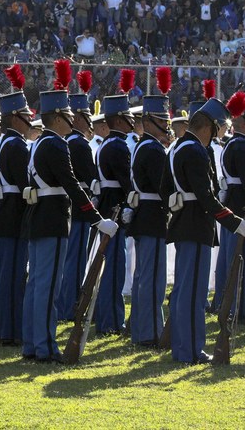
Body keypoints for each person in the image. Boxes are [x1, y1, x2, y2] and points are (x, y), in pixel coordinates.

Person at [22, 86, 118, 363]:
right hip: (52, 219)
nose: (72, 121)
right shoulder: (56, 144)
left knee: (37, 284)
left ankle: (32, 343)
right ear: (57, 118)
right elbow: (72, 185)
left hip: (40, 217)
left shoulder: (40, 142)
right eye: (67, 116)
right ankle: (44, 346)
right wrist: (97, 219)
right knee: (48, 286)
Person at [162, 96, 245, 364]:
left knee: (185, 290)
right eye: (218, 129)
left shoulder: (179, 146)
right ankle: (189, 351)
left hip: (184, 221)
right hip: (196, 223)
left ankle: (181, 347)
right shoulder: (195, 150)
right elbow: (206, 197)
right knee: (193, 293)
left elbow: (165, 189)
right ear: (209, 127)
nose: (218, 134)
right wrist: (235, 222)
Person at [126, 73, 171, 347]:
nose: (166, 124)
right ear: (148, 122)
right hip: (153, 216)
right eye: (161, 120)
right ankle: (149, 332)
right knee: (152, 279)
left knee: (145, 276)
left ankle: (143, 329)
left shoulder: (147, 146)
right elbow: (163, 186)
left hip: (147, 215)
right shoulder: (153, 150)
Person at [211, 79, 245, 319]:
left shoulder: (231, 144)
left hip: (230, 200)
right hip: (240, 203)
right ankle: (237, 306)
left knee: (227, 257)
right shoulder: (243, 146)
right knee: (239, 258)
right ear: (242, 122)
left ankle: (223, 301)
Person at [0, 68, 32, 346]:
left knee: (7, 274)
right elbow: (24, 179)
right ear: (15, 117)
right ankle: (11, 329)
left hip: (5, 209)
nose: (30, 119)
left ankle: (5, 327)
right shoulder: (16, 145)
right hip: (14, 210)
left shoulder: (4, 141)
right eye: (26, 115)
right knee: (13, 275)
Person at [93, 76, 135, 335]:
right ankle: (110, 321)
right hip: (115, 208)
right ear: (118, 120)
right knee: (113, 269)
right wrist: (133, 201)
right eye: (127, 117)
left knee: (110, 265)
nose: (132, 121)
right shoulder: (118, 146)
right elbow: (126, 182)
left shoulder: (109, 143)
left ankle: (106, 317)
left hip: (108, 206)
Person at [57, 73, 97, 321]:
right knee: (75, 260)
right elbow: (90, 177)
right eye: (87, 117)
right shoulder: (80, 144)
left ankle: (66, 303)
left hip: (71, 205)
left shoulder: (68, 141)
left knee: (70, 259)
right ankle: (69, 304)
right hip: (80, 207)